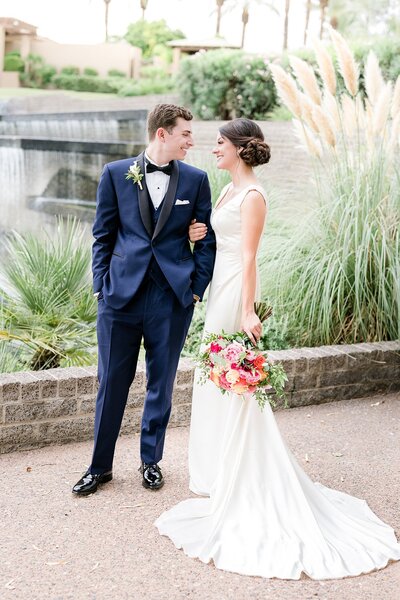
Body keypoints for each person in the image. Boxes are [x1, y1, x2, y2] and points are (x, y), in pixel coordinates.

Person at [155, 118, 400, 579]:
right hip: (220, 290)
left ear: (241, 150)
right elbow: (219, 238)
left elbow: (248, 256)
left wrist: (247, 311)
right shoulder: (227, 191)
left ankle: (247, 470)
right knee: (215, 379)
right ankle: (220, 470)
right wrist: (198, 235)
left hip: (236, 293)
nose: (214, 150)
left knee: (236, 381)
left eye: (221, 144)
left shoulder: (253, 196)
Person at [72, 104, 216, 496]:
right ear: (162, 134)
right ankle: (99, 467)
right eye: (186, 133)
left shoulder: (196, 180)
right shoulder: (116, 174)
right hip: (119, 297)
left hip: (171, 298)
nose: (192, 140)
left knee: (161, 382)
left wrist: (195, 288)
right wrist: (101, 285)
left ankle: (150, 461)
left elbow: (206, 240)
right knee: (111, 382)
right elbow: (102, 235)